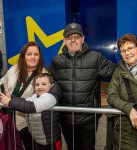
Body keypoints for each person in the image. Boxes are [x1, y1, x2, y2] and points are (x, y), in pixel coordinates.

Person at [47, 22, 117, 150]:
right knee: (72, 147)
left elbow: (117, 72)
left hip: (88, 118)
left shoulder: (96, 58)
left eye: (76, 36)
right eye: (69, 37)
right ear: (64, 40)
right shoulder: (57, 60)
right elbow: (45, 80)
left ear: (82, 39)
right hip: (66, 118)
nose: (73, 40)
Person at [0, 41, 46, 150]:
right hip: (8, 119)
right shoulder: (14, 69)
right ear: (23, 56)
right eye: (29, 54)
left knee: (30, 146)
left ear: (40, 57)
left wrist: (11, 100)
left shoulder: (43, 75)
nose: (33, 57)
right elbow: (2, 83)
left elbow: (39, 101)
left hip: (27, 123)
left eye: (36, 54)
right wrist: (3, 94)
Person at [107, 33, 137, 150]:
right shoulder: (118, 72)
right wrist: (129, 109)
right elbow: (111, 96)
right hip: (126, 132)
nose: (127, 53)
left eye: (130, 48)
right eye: (123, 50)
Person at [1, 73, 62, 150]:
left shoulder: (50, 97)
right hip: (39, 139)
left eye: (44, 84)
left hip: (50, 141)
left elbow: (31, 107)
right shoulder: (36, 95)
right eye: (37, 84)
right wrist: (11, 97)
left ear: (52, 85)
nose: (40, 87)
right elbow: (25, 102)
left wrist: (10, 102)